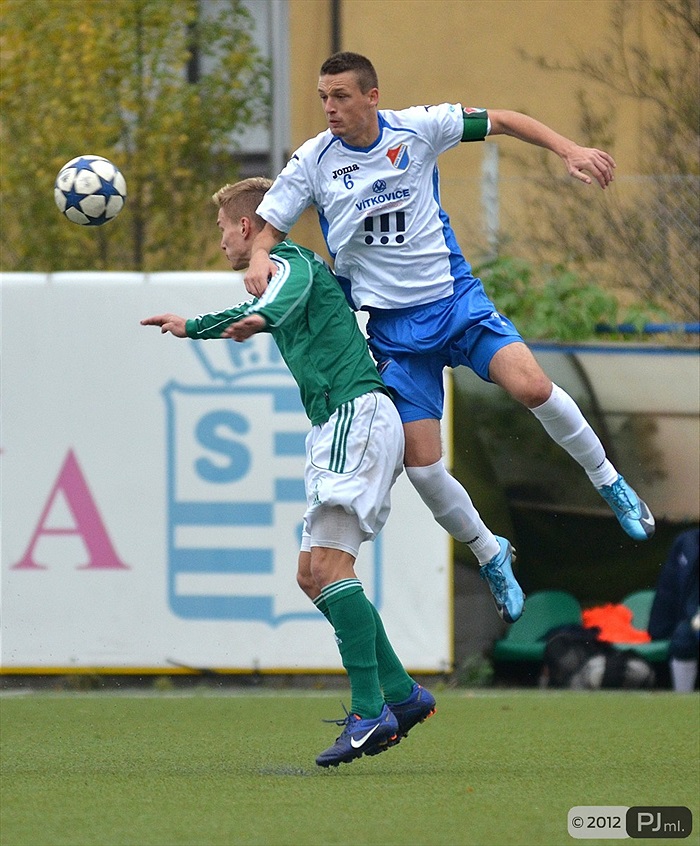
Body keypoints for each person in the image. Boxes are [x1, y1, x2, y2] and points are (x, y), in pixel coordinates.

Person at [243, 51, 656, 625]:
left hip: (455, 303)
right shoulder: (314, 160)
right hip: (393, 331)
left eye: (340, 96)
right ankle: (491, 554)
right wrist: (259, 257)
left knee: (533, 387)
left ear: (372, 96)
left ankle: (610, 483)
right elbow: (269, 224)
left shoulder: (419, 128)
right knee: (424, 467)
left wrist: (571, 150)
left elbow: (506, 119)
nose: (330, 108)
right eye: (323, 97)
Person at [141, 177, 436, 767]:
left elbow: (288, 291)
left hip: (356, 414)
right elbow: (260, 305)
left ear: (246, 227)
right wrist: (193, 326)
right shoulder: (271, 273)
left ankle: (369, 709)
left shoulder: (287, 260)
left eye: (223, 228)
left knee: (329, 567)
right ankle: (402, 695)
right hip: (338, 423)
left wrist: (261, 317)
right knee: (311, 574)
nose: (221, 240)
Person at [648, 528, 699, 692]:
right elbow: (667, 589)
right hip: (693, 618)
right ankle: (682, 700)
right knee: (683, 638)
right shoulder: (688, 542)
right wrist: (659, 627)